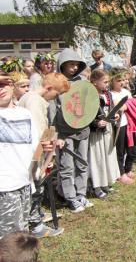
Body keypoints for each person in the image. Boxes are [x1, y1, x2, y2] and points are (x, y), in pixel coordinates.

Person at [18, 72, 70, 238]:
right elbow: (38, 133)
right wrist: (45, 158)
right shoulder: (36, 102)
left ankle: (37, 215)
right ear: (48, 88)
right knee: (36, 186)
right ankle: (36, 226)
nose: (56, 98)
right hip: (34, 154)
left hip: (32, 151)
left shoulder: (29, 97)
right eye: (57, 94)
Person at [50, 48, 93, 213]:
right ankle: (70, 197)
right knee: (66, 165)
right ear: (62, 65)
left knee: (82, 163)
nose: (74, 68)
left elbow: (89, 104)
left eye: (77, 65)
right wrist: (57, 134)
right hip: (64, 131)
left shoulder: (82, 83)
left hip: (82, 129)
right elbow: (53, 112)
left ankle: (81, 193)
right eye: (71, 64)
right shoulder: (57, 84)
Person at [0, 72, 42, 239]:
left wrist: (46, 149)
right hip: (4, 187)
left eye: (4, 84)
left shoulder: (25, 114)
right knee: (7, 240)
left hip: (24, 183)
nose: (0, 89)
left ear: (12, 86)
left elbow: (35, 147)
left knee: (22, 234)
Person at [88, 69, 121, 198]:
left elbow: (111, 109)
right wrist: (96, 123)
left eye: (108, 82)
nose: (107, 84)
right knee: (98, 158)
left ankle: (106, 183)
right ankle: (97, 187)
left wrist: (115, 115)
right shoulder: (90, 95)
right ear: (95, 82)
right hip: (96, 133)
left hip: (108, 130)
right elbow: (86, 116)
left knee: (107, 156)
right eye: (105, 82)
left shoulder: (107, 94)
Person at [109, 68, 136, 184]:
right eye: (118, 80)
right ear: (112, 81)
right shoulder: (110, 94)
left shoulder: (126, 92)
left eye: (123, 80)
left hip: (129, 124)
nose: (122, 82)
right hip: (118, 125)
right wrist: (125, 106)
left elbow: (132, 105)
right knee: (119, 150)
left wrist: (125, 106)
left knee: (131, 149)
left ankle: (128, 169)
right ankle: (121, 173)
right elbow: (118, 107)